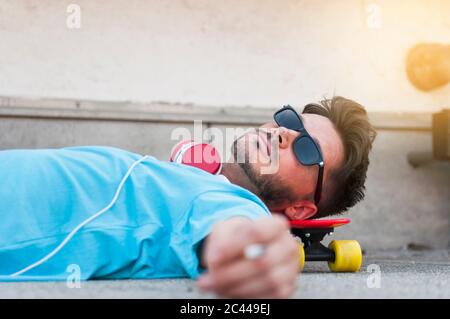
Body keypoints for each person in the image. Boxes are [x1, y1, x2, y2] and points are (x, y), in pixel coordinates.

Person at [0, 96, 375, 298]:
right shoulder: (196, 178)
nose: (284, 134)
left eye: (307, 149)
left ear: (299, 208)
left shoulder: (230, 203)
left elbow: (235, 231)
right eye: (292, 122)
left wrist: (257, 253)